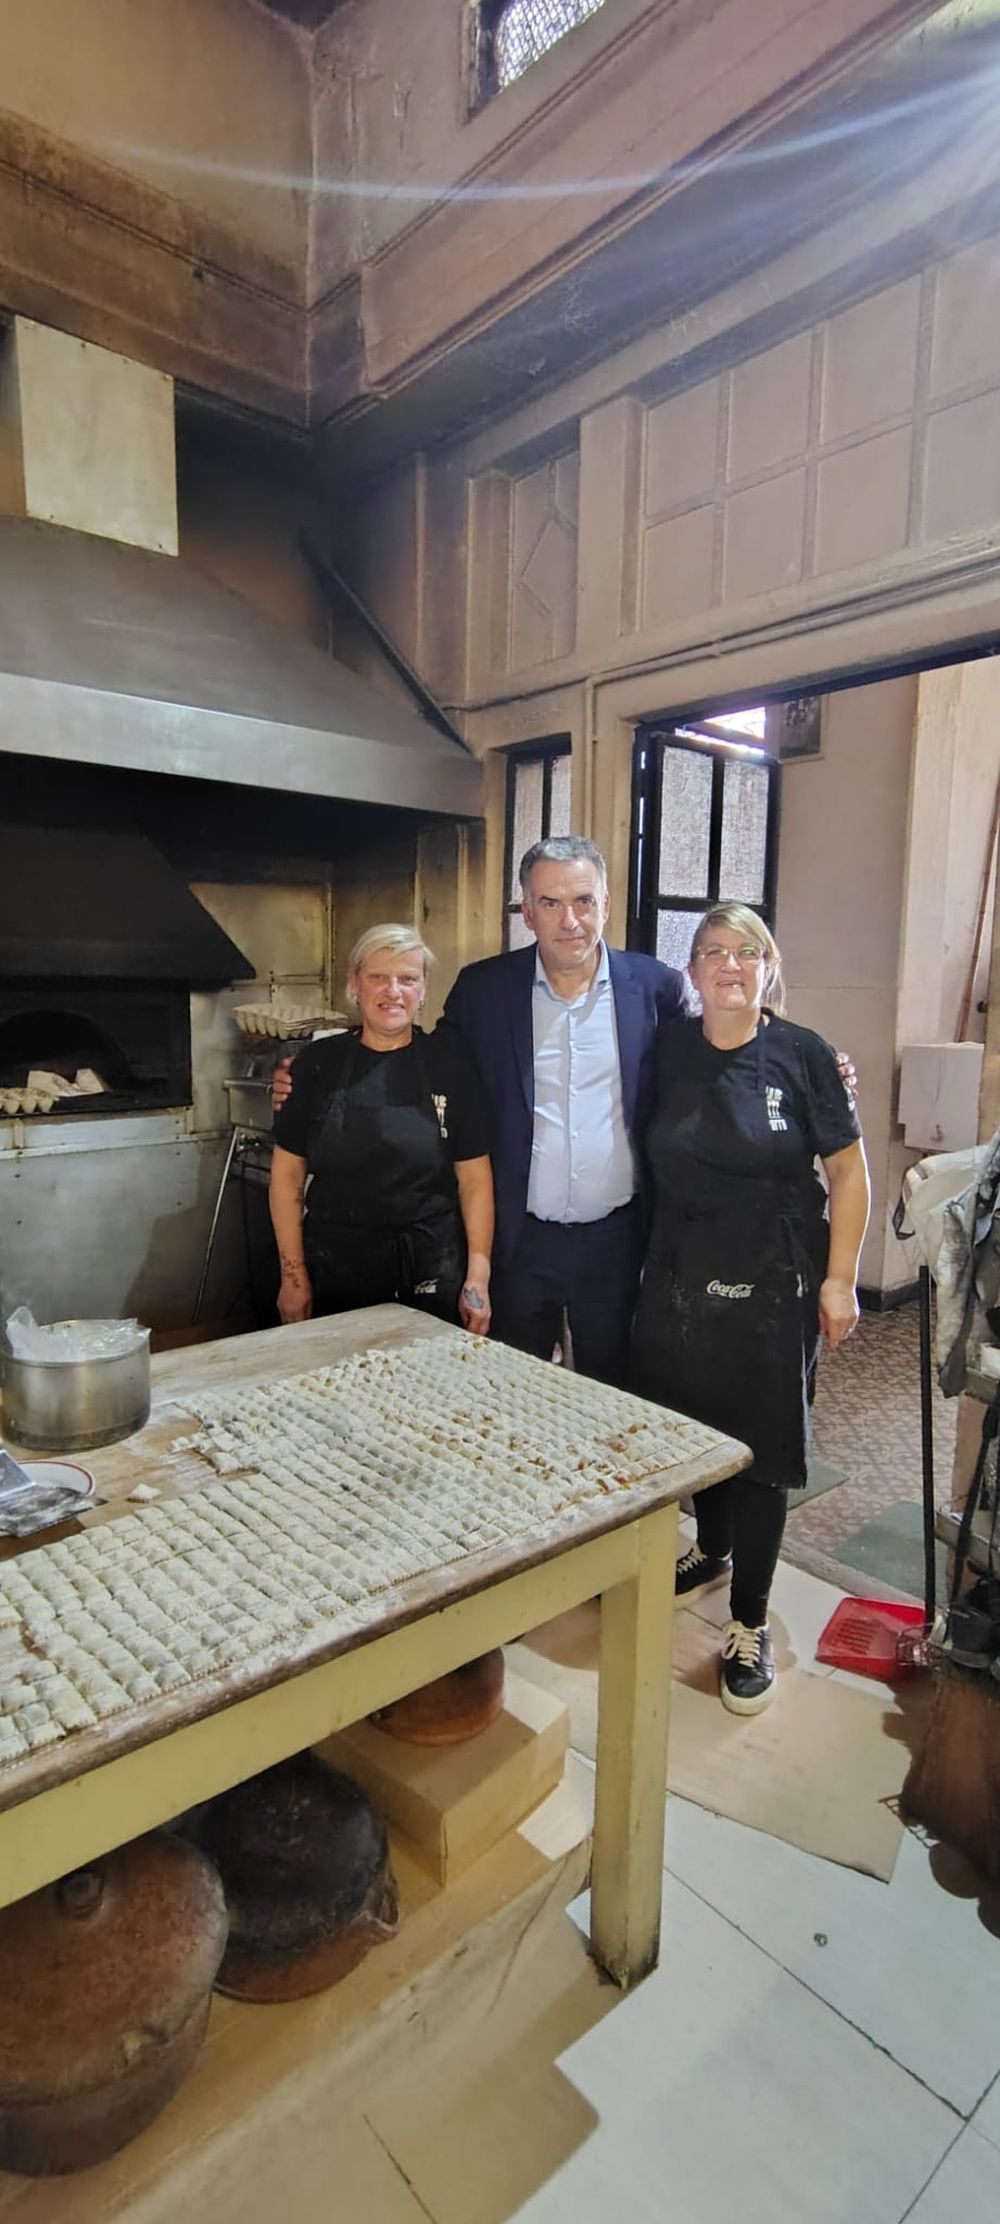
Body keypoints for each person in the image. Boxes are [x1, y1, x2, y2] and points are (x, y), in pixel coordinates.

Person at [629, 902, 870, 1716]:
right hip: (676, 1274)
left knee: (761, 1449)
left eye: (745, 951)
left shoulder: (804, 1056)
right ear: (690, 972)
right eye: (710, 952)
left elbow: (848, 1174)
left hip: (774, 1277)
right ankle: (713, 1549)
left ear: (768, 966)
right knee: (691, 1430)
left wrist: (842, 1279)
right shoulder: (667, 1048)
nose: (728, 965)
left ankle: (748, 1622)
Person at [439, 836, 685, 1386]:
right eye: (550, 903)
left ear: (606, 905)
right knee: (511, 1392)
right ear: (527, 912)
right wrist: (316, 1071)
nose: (569, 920)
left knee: (615, 1393)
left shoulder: (655, 989)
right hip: (519, 1240)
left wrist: (799, 1054)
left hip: (617, 1239)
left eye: (583, 901)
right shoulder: (484, 990)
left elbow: (715, 1052)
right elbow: (430, 1068)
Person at [268, 924, 493, 1335]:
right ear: (355, 985)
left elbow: (474, 1179)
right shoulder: (317, 1064)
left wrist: (478, 1275)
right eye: (378, 978)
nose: (393, 991)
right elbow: (286, 1178)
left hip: (431, 1264)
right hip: (335, 1267)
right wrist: (293, 1278)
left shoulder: (451, 1065)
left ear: (423, 990)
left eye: (408, 979)